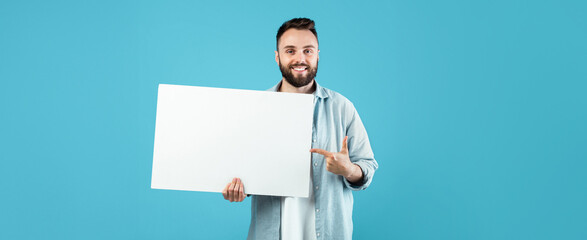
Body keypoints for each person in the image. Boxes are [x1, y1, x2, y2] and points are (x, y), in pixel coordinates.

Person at [221, 17, 378, 240]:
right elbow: (240, 168)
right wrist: (237, 188)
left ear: (317, 55)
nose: (300, 58)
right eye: (290, 51)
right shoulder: (255, 108)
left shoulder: (342, 108)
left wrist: (349, 170)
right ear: (277, 57)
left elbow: (367, 166)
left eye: (308, 50)